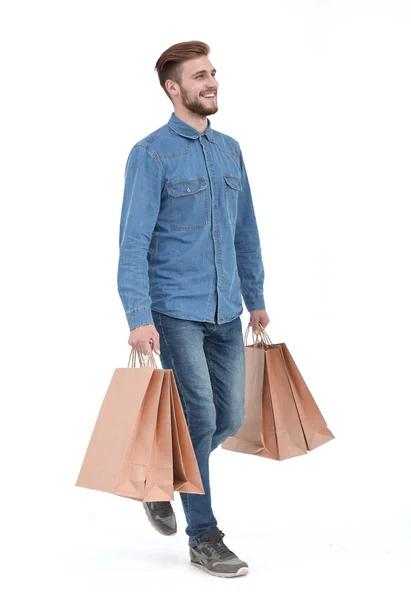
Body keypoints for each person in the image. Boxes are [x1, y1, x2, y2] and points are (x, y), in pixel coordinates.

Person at [117, 40, 269, 578]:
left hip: (227, 309)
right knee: (199, 416)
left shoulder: (230, 150)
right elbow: (133, 241)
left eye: (213, 73)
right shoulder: (151, 153)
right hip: (174, 309)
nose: (212, 83)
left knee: (227, 415)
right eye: (199, 76)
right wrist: (138, 315)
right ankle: (204, 536)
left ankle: (163, 473)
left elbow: (245, 231)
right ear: (173, 88)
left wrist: (257, 300)